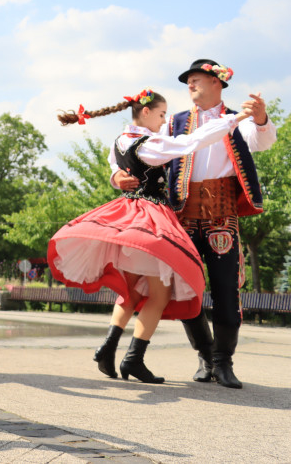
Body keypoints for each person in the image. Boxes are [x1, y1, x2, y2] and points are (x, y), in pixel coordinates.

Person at [52, 89, 249, 383]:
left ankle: (108, 346)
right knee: (159, 294)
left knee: (130, 291)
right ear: (145, 113)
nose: (164, 120)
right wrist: (233, 120)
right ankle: (134, 358)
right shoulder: (151, 143)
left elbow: (116, 167)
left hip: (128, 219)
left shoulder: (120, 140)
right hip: (150, 221)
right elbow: (190, 142)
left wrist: (115, 177)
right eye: (160, 114)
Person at [114, 59, 274, 389]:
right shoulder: (174, 122)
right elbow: (131, 146)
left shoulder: (236, 121)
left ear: (218, 83)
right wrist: (116, 175)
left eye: (197, 79)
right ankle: (205, 356)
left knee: (227, 292)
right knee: (188, 291)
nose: (190, 85)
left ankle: (224, 362)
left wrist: (259, 117)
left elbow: (264, 141)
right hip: (181, 219)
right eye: (188, 81)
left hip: (221, 218)